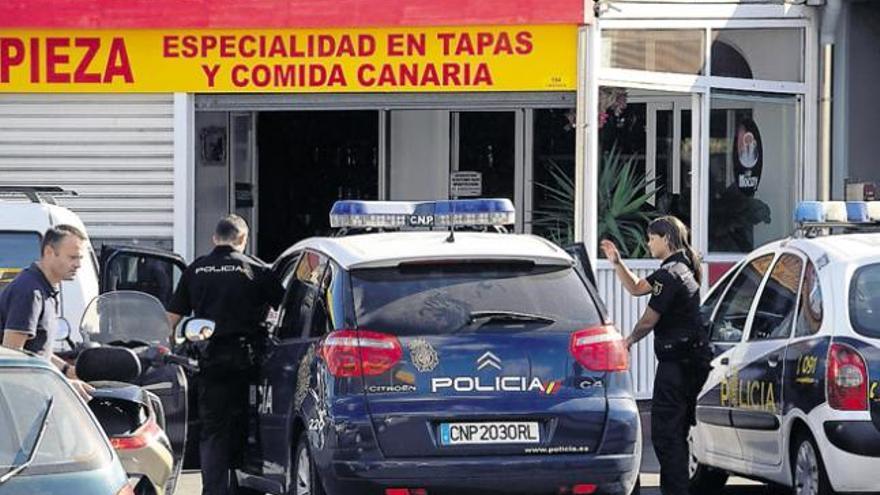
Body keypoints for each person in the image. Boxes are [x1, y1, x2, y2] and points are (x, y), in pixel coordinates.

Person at [166, 214, 283, 495]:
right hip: (250, 364)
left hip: (211, 362)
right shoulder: (258, 270)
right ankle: (248, 487)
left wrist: (170, 350)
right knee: (251, 426)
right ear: (243, 239)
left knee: (213, 431)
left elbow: (169, 321)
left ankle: (215, 491)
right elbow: (286, 314)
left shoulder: (196, 270)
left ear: (214, 239)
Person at [601, 216, 711, 495]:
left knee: (666, 435)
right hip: (691, 362)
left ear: (666, 239)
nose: (648, 243)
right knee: (678, 432)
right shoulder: (683, 268)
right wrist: (616, 262)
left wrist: (627, 341)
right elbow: (637, 287)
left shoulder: (669, 274)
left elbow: (649, 321)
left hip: (676, 366)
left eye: (651, 238)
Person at [0, 225, 95, 400]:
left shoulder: (45, 289)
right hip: (15, 402)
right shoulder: (29, 291)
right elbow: (13, 356)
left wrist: (67, 371)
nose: (78, 265)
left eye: (80, 258)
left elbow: (36, 352)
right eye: (72, 257)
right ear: (50, 252)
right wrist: (62, 384)